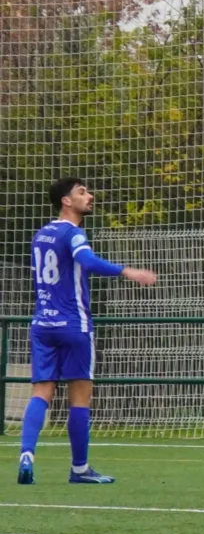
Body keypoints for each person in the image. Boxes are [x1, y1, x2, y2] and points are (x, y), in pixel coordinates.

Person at [20, 177, 157, 484]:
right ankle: (80, 468)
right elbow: (86, 260)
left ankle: (27, 453)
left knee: (41, 392)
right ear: (66, 201)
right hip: (73, 324)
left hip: (42, 323)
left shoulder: (41, 234)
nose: (90, 196)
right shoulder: (74, 233)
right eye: (82, 192)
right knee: (80, 397)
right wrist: (128, 271)